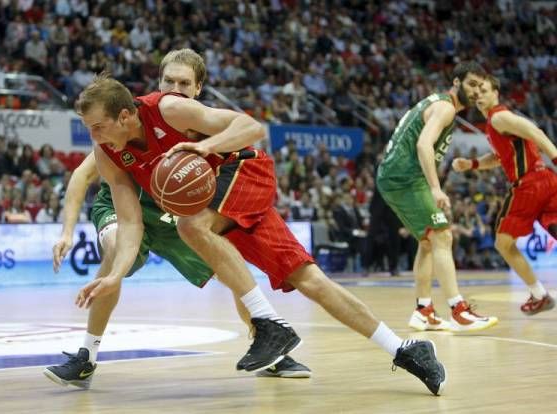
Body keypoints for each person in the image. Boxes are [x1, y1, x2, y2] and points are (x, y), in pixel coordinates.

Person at [73, 49, 446, 396]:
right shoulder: (107, 152)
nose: (93, 135)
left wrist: (205, 147)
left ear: (124, 115)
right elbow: (130, 223)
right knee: (310, 280)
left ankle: (269, 325)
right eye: (90, 128)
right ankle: (406, 349)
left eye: (97, 126)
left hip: (245, 171)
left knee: (190, 226)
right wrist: (115, 274)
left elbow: (251, 126)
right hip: (221, 204)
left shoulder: (169, 109)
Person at [44, 51, 311, 389]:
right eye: (169, 81)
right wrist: (67, 232)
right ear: (158, 84)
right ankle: (87, 355)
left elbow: (247, 128)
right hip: (123, 206)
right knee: (114, 255)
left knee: (228, 268)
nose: (176, 88)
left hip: (171, 212)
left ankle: (272, 347)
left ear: (198, 89)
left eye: (184, 83)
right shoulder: (116, 129)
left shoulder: (196, 125)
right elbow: (82, 178)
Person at [376, 61, 499, 332]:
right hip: (405, 178)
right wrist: (435, 187)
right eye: (471, 84)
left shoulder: (440, 104)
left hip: (399, 176)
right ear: (456, 83)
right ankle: (458, 310)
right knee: (443, 235)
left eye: (480, 86)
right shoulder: (445, 107)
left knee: (429, 241)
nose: (477, 91)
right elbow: (423, 144)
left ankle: (423, 311)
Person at [452, 75, 556, 315]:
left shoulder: (499, 116)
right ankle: (540, 296)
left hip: (529, 184)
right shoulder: (494, 124)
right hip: (547, 181)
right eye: (476, 92)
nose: (479, 95)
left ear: (496, 92)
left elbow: (536, 132)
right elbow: (499, 157)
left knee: (503, 243)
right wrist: (472, 164)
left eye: (484, 90)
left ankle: (539, 295)